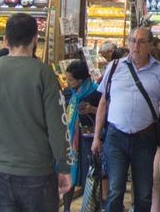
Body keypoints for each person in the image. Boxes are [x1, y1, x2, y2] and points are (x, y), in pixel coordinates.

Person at [0, 13, 72, 212]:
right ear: (35, 39)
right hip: (36, 170)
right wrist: (64, 166)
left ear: (5, 40)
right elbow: (58, 126)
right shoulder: (44, 74)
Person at [92, 27, 160, 212]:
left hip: (144, 138)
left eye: (141, 42)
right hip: (116, 137)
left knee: (143, 192)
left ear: (149, 45)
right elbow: (103, 104)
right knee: (115, 190)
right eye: (132, 41)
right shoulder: (114, 67)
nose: (135, 46)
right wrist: (96, 137)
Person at [62, 59, 101, 212]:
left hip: (89, 139)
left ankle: (89, 208)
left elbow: (106, 114)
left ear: (80, 79)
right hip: (71, 141)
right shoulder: (68, 93)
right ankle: (66, 208)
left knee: (89, 176)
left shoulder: (96, 91)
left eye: (70, 79)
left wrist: (91, 109)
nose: (67, 82)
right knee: (69, 174)